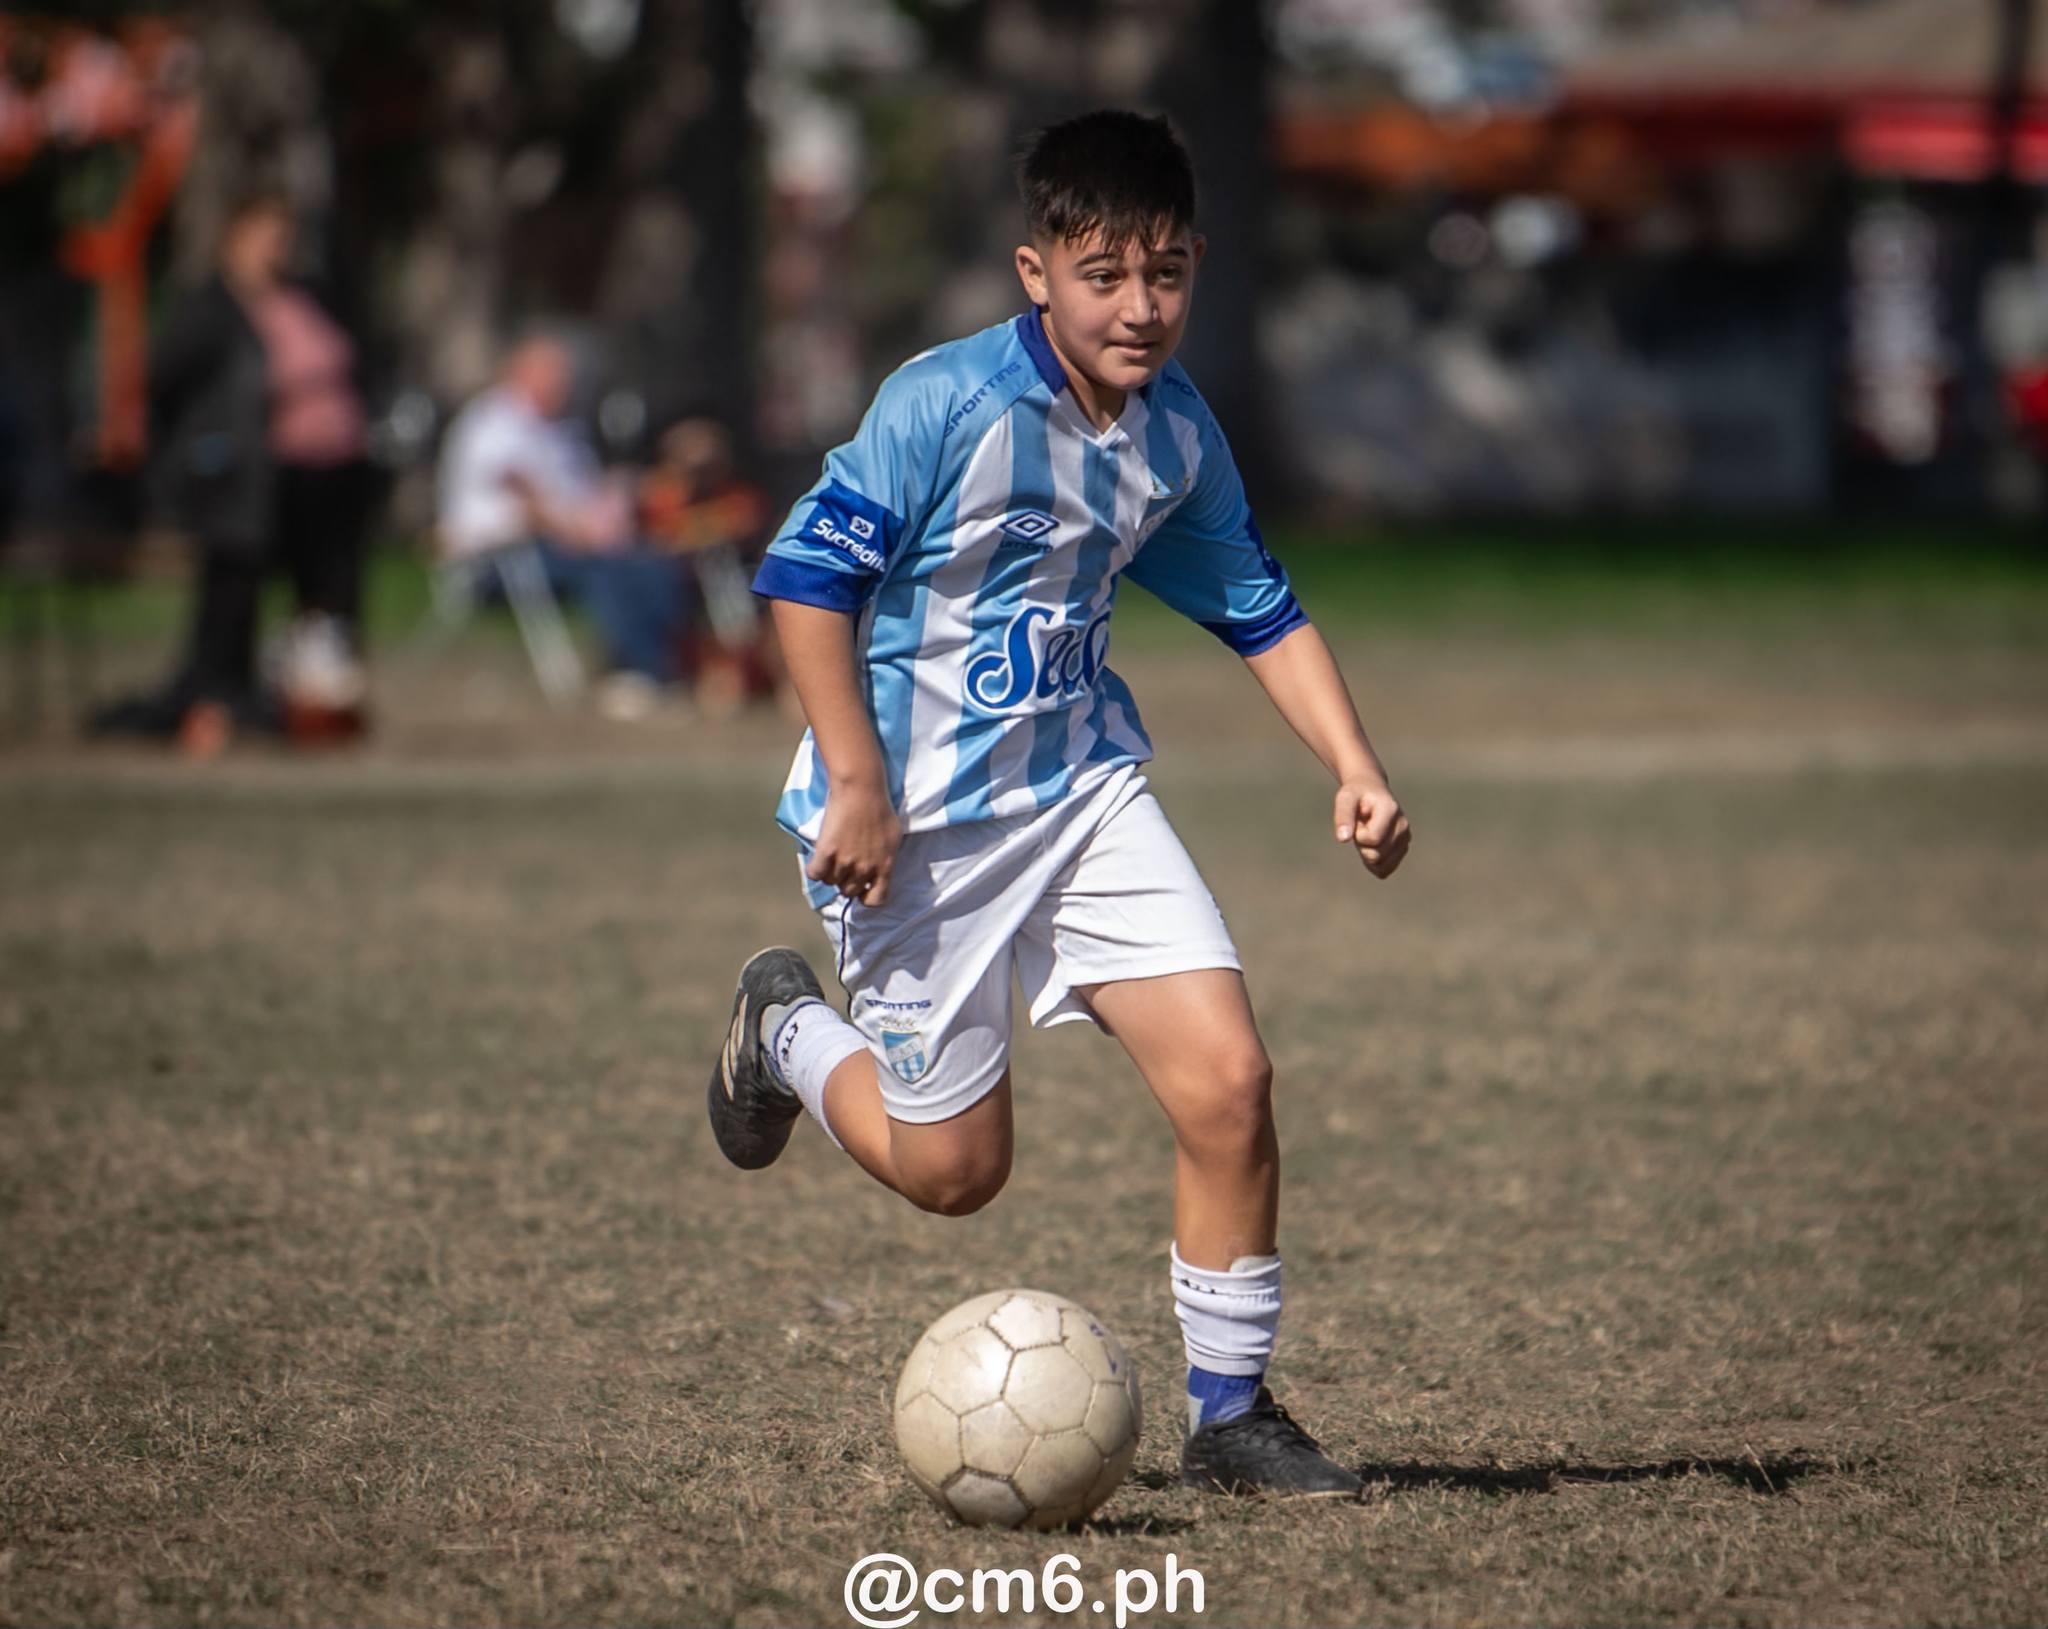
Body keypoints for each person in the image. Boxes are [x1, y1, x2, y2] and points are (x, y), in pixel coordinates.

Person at [705, 111, 1412, 1498]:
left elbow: (1260, 610)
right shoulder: (945, 405)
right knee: (954, 1174)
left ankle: (1231, 1415)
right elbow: (802, 583)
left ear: (1196, 264)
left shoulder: (1177, 431)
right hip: (911, 829)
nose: (1139, 308)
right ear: (1037, 273)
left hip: (1083, 797)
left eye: (1166, 274)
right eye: (1104, 276)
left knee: (1231, 1081)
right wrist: (857, 781)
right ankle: (781, 1031)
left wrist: (1356, 766)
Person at [90, 189, 376, 751]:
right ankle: (217, 700)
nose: (276, 248)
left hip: (323, 474)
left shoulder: (307, 295)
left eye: (283, 238)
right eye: (265, 236)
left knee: (323, 597)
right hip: (244, 478)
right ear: (233, 239)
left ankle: (310, 703)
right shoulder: (209, 308)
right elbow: (164, 384)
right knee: (232, 597)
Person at [437, 337, 688, 718]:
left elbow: (587, 494)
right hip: (498, 556)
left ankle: (668, 666)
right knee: (602, 567)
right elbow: (517, 486)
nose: (564, 386)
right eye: (554, 376)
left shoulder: (563, 431)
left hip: (564, 546)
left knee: (653, 563)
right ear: (521, 373)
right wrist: (575, 531)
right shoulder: (493, 419)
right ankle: (633, 671)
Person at [637, 416, 789, 713]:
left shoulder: (737, 494)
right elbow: (662, 537)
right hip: (683, 590)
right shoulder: (662, 496)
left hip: (737, 586)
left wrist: (697, 528)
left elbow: (742, 521)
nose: (699, 477)